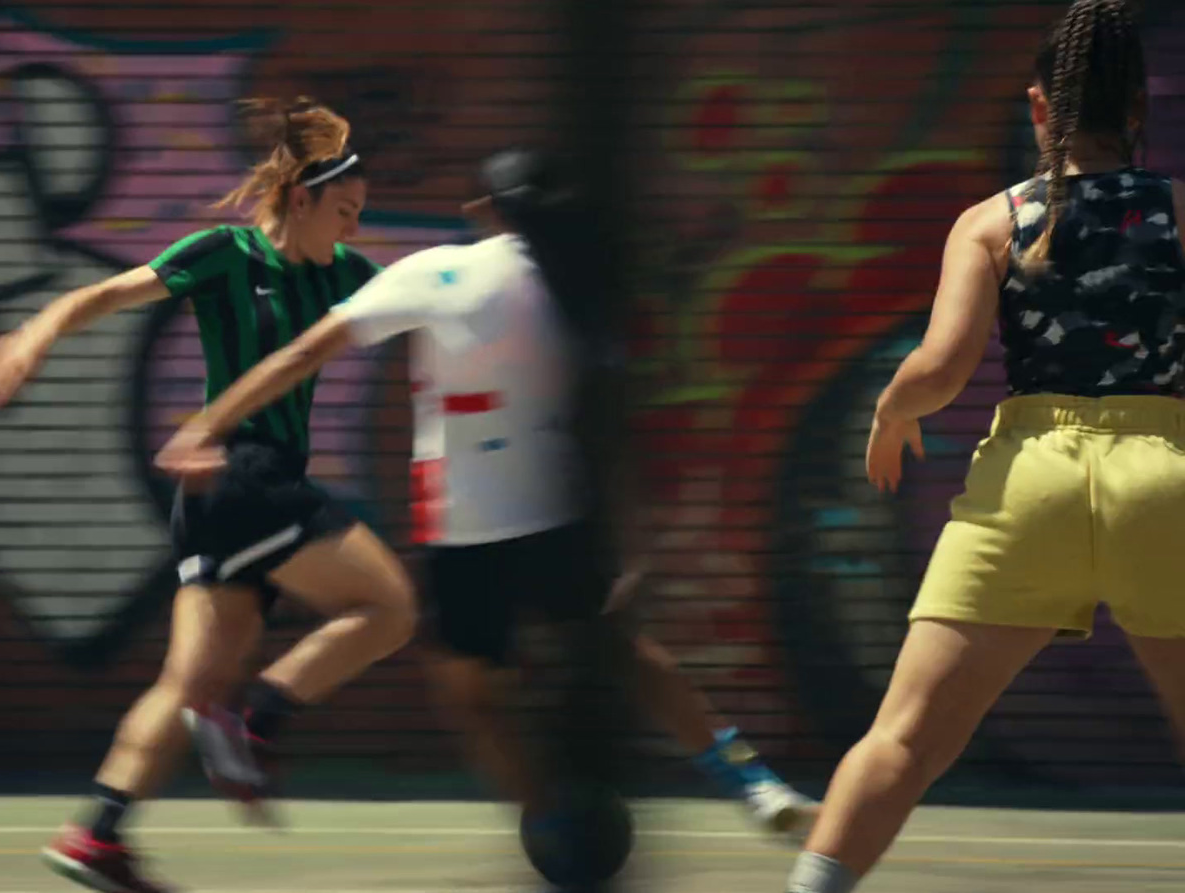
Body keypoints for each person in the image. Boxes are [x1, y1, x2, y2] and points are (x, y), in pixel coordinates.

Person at [157, 146, 818, 879]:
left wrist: (207, 424)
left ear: (485, 212)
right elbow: (612, 429)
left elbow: (301, 355)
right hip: (558, 515)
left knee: (474, 697)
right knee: (624, 651)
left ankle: (548, 825)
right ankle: (751, 780)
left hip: (465, 529)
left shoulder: (441, 270)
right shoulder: (578, 291)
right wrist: (631, 540)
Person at [784, 3, 1185, 891]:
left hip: (1029, 485)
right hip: (1166, 481)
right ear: (1139, 111)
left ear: (1040, 107)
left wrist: (890, 413)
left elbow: (939, 367)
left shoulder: (993, 220)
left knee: (905, 735)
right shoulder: (1179, 213)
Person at [0, 98, 417, 893]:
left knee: (186, 685)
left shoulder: (349, 277)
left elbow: (426, 310)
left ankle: (96, 834)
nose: (353, 229)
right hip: (246, 476)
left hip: (228, 496)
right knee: (389, 607)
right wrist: (32, 333)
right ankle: (258, 719)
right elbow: (106, 295)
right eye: (344, 211)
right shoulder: (227, 252)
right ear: (299, 199)